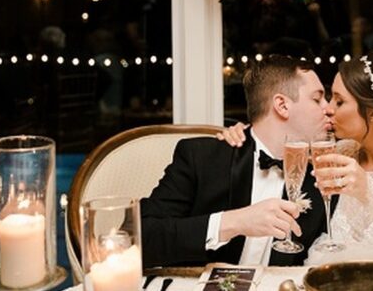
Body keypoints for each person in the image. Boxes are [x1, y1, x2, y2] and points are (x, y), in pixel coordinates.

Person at [220, 50, 373, 264]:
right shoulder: (338, 154)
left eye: (339, 102)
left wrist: (370, 190)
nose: (328, 109)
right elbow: (281, 153)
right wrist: (244, 134)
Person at [140, 55, 331, 267]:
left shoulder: (321, 176)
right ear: (282, 105)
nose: (329, 108)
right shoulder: (203, 158)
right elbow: (140, 238)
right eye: (317, 99)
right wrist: (233, 222)